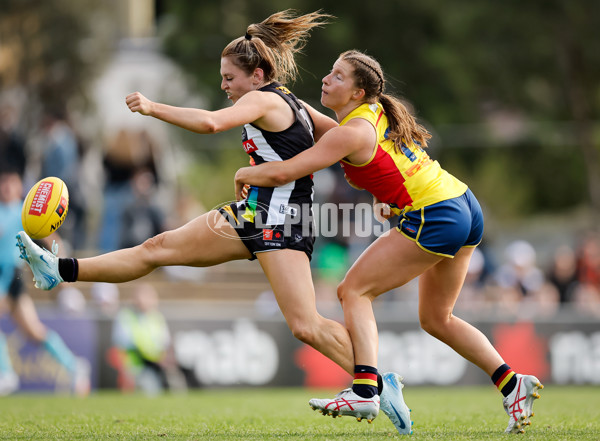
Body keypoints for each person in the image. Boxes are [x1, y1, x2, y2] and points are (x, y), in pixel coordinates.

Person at [14, 11, 411, 434]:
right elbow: (351, 147)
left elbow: (209, 123)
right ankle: (60, 270)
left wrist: (152, 108)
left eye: (229, 78)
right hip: (252, 215)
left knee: (305, 325)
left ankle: (377, 382)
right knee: (157, 249)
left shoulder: (261, 99)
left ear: (256, 76)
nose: (224, 86)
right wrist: (383, 188)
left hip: (280, 222)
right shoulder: (293, 103)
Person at [233, 50, 544, 434]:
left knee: (353, 291)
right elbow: (389, 164)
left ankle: (365, 390)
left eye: (338, 76)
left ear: (358, 92)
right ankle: (513, 386)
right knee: (436, 319)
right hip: (462, 203)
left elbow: (284, 173)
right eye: (330, 73)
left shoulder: (350, 131)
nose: (327, 80)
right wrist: (388, 200)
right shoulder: (372, 115)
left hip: (437, 213)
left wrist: (243, 172)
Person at [0, 172, 90, 396]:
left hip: (10, 276)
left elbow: (52, 240)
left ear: (20, 185)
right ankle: (74, 365)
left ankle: (5, 373)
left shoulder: (25, 211)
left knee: (35, 331)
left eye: (11, 182)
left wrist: (65, 283)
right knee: (33, 331)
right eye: (4, 183)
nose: (7, 187)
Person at [111, 283, 171, 395]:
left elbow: (164, 344)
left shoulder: (157, 317)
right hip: (134, 367)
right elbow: (122, 344)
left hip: (155, 367)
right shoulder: (126, 316)